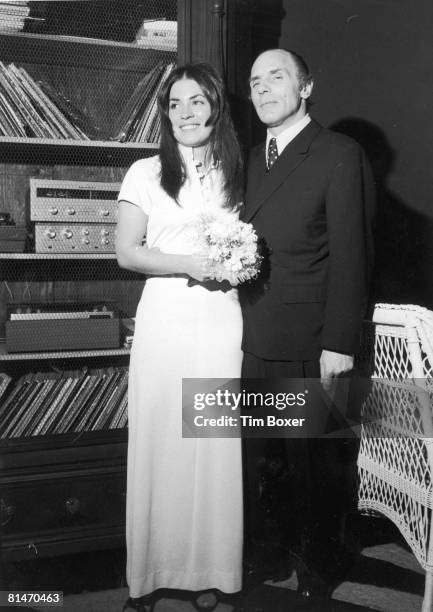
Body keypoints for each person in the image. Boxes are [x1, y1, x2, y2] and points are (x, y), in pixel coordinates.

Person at [241, 49, 375, 603]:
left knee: (313, 466)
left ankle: (318, 569)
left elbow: (353, 256)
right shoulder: (251, 157)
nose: (265, 89)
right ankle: (272, 555)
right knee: (264, 460)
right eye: (255, 82)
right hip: (254, 337)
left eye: (277, 77)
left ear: (306, 86)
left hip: (310, 340)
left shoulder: (340, 153)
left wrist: (339, 343)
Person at [116, 62, 244, 612]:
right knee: (160, 439)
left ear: (216, 108)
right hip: (165, 319)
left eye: (196, 102)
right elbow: (127, 253)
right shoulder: (144, 172)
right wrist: (190, 262)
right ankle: (149, 575)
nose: (185, 113)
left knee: (211, 445)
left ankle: (210, 573)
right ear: (165, 114)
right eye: (174, 104)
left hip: (220, 321)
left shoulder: (238, 173)